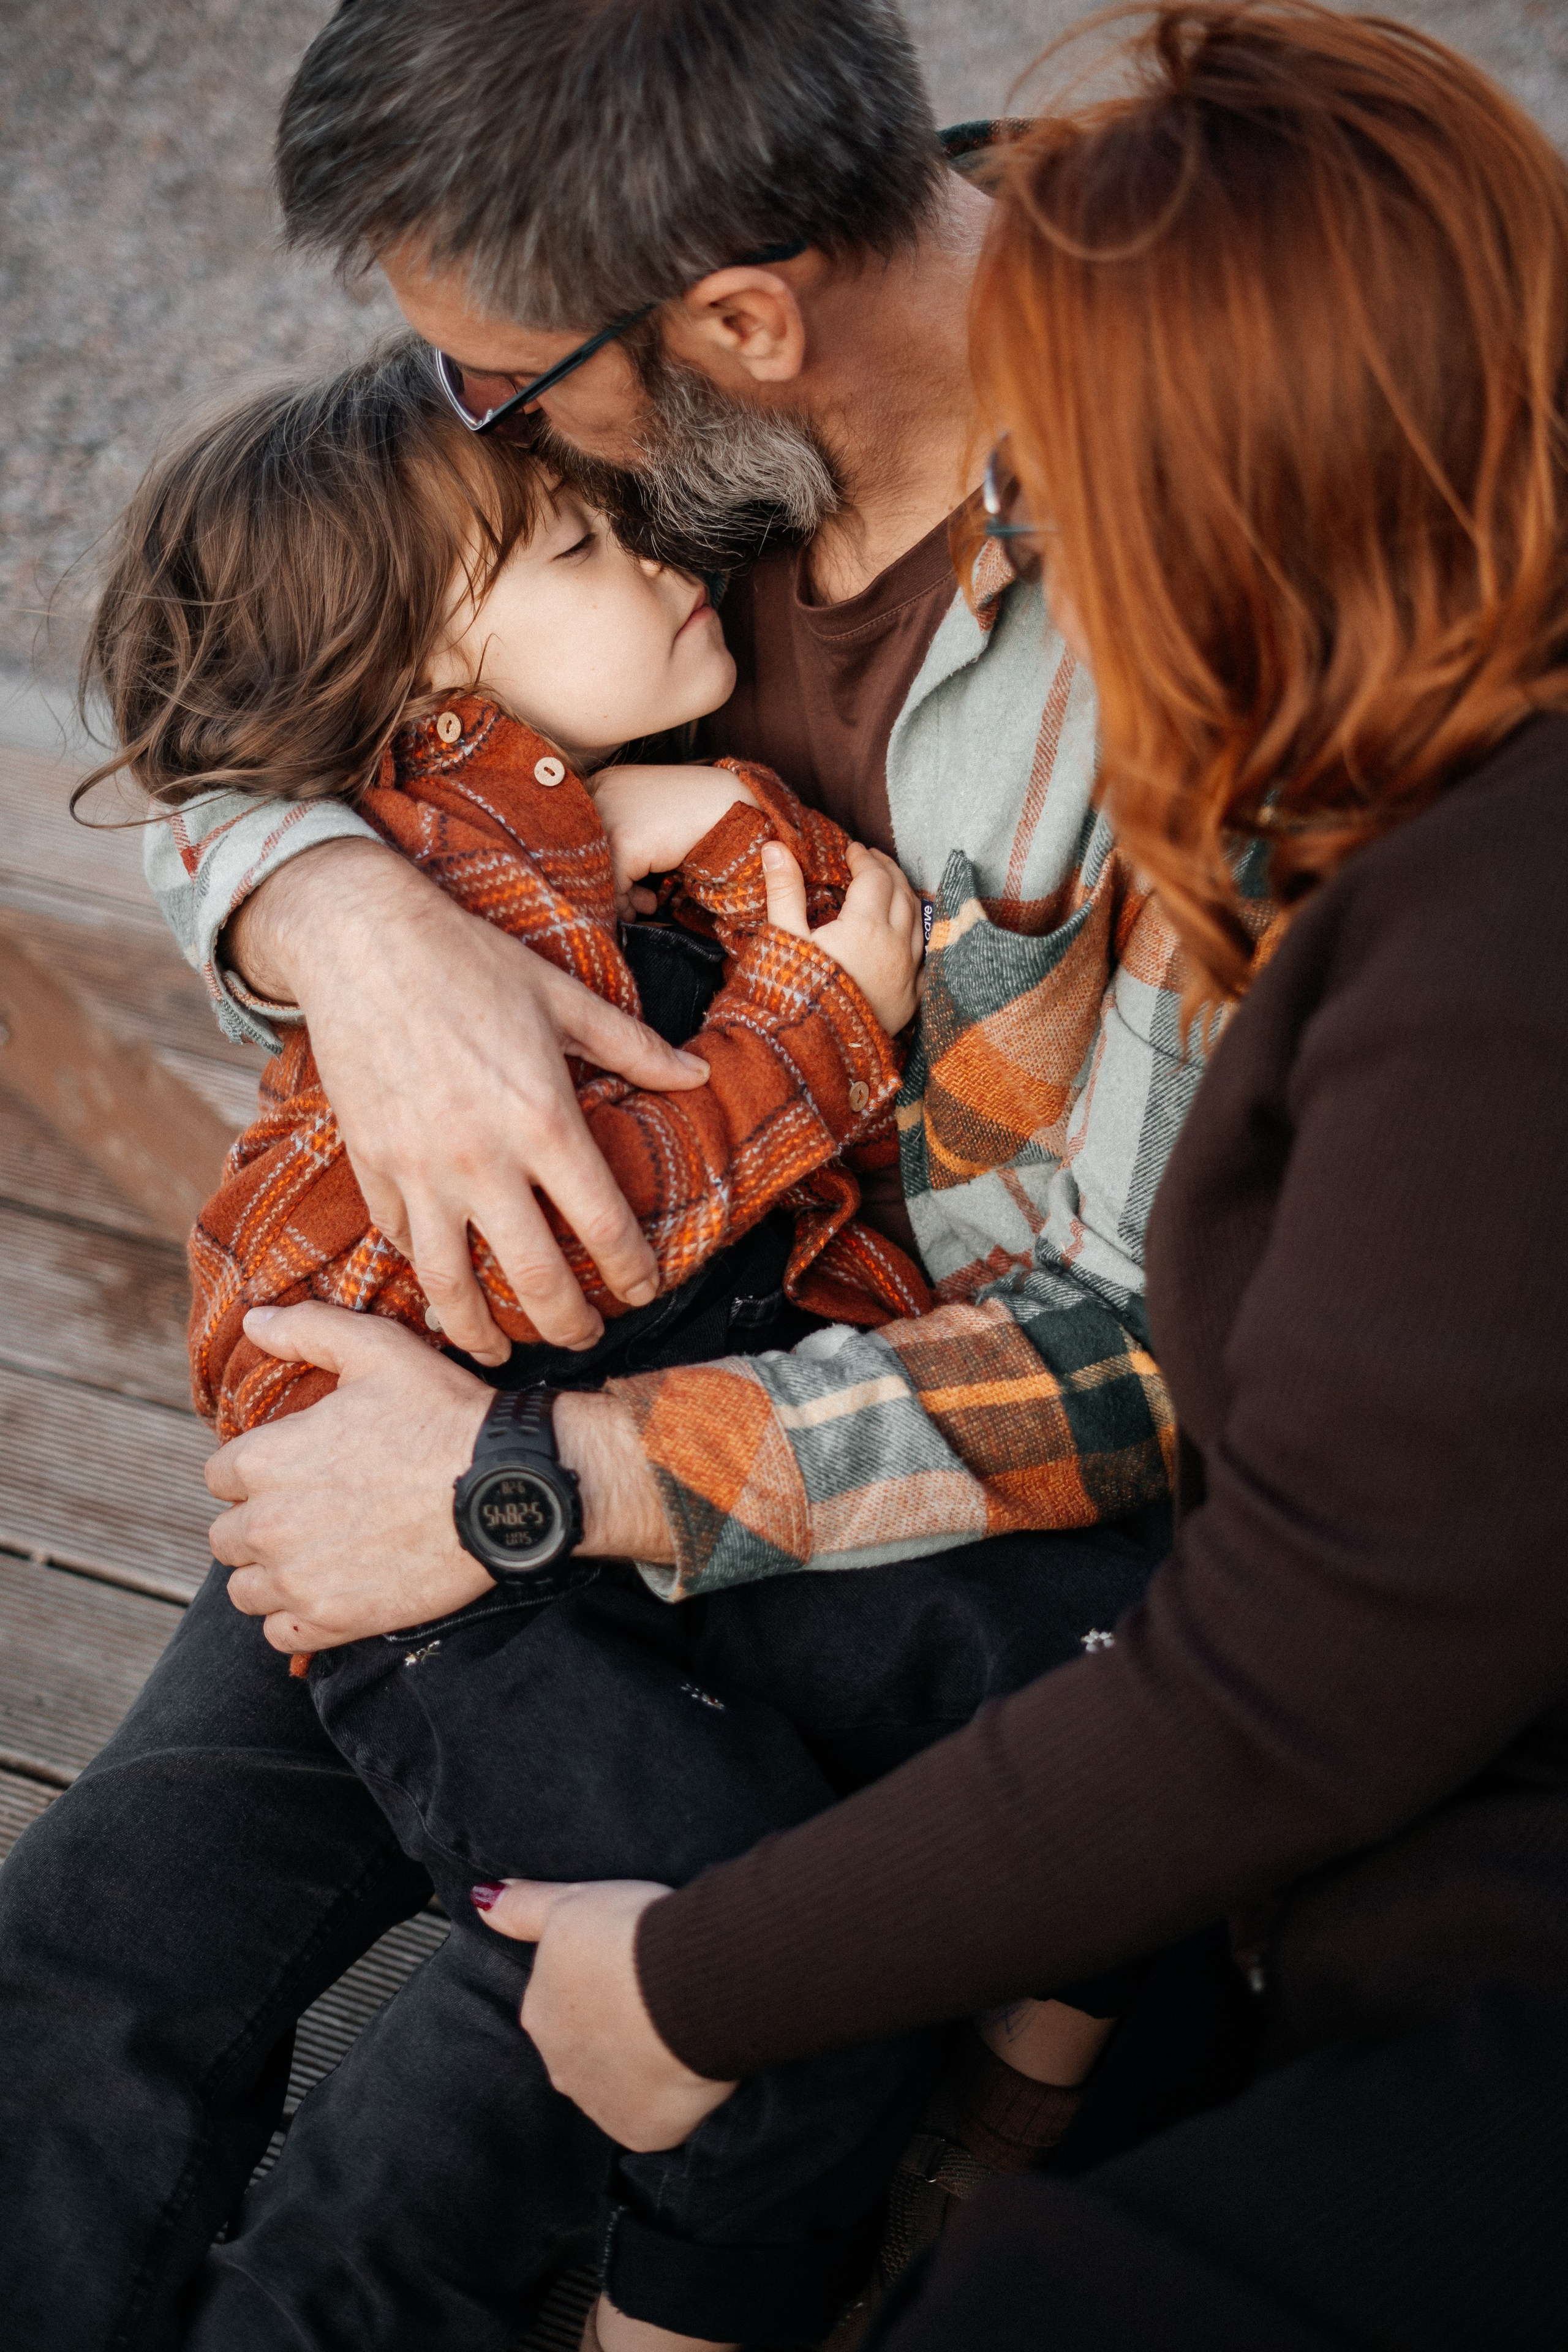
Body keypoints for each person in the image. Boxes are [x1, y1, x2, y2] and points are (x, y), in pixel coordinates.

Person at [0, 4, 1223, 2346]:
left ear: (741, 325)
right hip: (500, 1371)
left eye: (498, 384)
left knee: (495, 2072)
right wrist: (342, 915)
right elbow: (283, 659)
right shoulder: (661, 432)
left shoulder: (1187, 621)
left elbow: (1162, 1348)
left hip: (843, 1452)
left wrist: (541, 1481)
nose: (468, 419)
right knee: (98, 1942)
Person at [462, 7, 1568, 2346]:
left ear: (1265, 486)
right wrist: (340, 913)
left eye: (1068, 489)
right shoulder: (1424, 804)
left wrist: (699, 1977)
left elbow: (1285, 1670)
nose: (1017, 541)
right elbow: (288, 631)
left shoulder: (1493, 943)